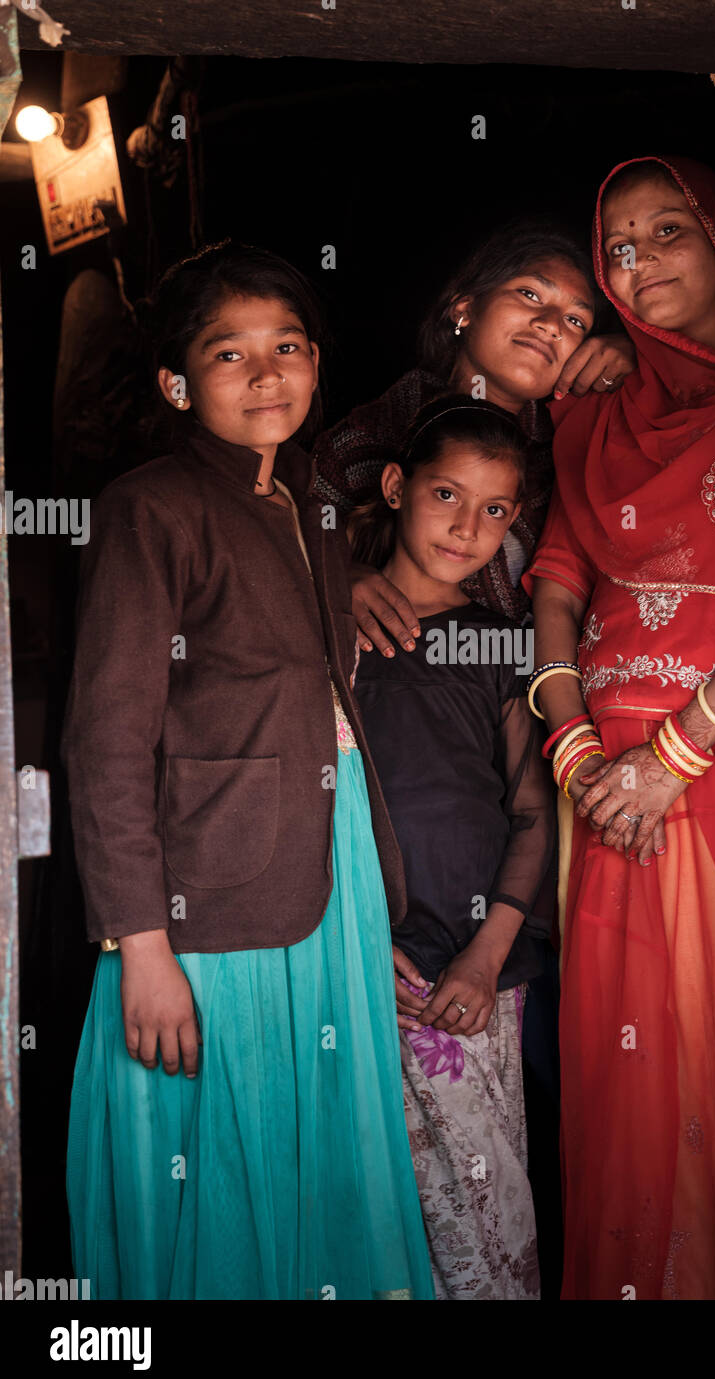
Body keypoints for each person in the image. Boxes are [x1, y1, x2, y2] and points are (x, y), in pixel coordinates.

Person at [62, 240, 434, 1301]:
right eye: (230, 354)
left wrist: (350, 580)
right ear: (178, 382)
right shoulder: (151, 507)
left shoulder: (308, 497)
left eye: (290, 347)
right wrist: (140, 942)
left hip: (332, 854)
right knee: (220, 1120)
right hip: (209, 885)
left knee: (320, 1112)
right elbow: (106, 737)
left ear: (318, 365)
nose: (268, 374)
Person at [525, 156, 715, 1300]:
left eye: (667, 233)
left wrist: (675, 755)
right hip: (601, 787)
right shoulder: (589, 412)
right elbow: (555, 587)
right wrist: (580, 751)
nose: (639, 261)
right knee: (633, 1082)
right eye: (620, 247)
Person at [348, 396, 555, 1299]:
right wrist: (351, 939)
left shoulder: (502, 646)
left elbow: (533, 812)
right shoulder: (332, 634)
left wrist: (484, 955)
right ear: (395, 487)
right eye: (445, 495)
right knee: (369, 1205)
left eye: (496, 510)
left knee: (483, 1207)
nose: (468, 527)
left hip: (474, 972)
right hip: (353, 963)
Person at [313, 220, 636, 644]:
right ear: (464, 308)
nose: (552, 324)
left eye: (576, 320)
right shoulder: (368, 435)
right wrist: (337, 577)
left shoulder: (579, 451)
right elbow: (277, 539)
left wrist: (642, 359)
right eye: (530, 294)